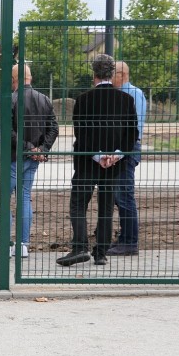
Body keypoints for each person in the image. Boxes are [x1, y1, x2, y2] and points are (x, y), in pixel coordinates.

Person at [57, 54, 138, 267]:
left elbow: (80, 133)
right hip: (114, 164)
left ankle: (80, 247)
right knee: (105, 206)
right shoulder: (126, 100)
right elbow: (132, 134)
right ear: (112, 74)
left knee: (78, 204)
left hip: (87, 162)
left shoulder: (83, 100)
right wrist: (115, 155)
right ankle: (101, 253)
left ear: (93, 74)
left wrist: (98, 155)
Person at [0, 64, 59, 259]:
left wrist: (28, 147)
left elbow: (6, 131)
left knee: (2, 200)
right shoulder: (44, 99)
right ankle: (23, 245)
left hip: (13, 158)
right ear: (30, 77)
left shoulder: (11, 99)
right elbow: (54, 128)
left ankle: (5, 244)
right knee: (24, 198)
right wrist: (42, 149)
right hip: (33, 159)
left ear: (13, 79)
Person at [108, 61, 147, 256]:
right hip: (120, 150)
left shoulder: (134, 95)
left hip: (128, 150)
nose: (109, 78)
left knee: (125, 196)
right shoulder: (121, 95)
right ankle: (124, 238)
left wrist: (119, 153)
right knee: (119, 195)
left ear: (121, 75)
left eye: (111, 74)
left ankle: (130, 242)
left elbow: (134, 129)